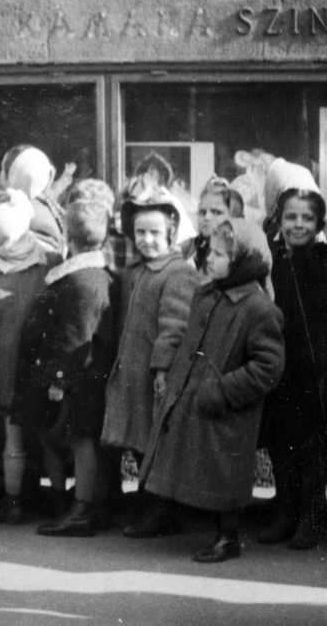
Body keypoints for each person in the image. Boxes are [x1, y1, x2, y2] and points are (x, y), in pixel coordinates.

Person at [133, 218, 284, 561]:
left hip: (227, 404)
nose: (210, 259)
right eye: (210, 252)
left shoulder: (259, 309)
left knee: (224, 470)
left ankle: (227, 536)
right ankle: (184, 519)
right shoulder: (207, 293)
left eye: (220, 254)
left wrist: (223, 390)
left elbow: (269, 367)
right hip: (195, 395)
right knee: (199, 464)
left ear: (243, 261)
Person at [11, 194, 117, 537]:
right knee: (83, 440)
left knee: (81, 440)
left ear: (68, 238)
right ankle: (86, 504)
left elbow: (73, 337)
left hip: (77, 379)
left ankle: (82, 508)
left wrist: (57, 381)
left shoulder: (80, 280)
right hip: (88, 374)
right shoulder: (96, 275)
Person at [101, 190, 198, 495]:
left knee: (152, 441)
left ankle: (158, 509)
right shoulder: (134, 271)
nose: (147, 239)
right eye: (140, 232)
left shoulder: (177, 273)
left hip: (153, 376)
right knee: (130, 437)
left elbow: (175, 326)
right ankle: (130, 502)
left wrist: (162, 370)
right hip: (129, 371)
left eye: (155, 233)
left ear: (171, 233)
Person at [0, 187, 55, 524]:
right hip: (43, 356)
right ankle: (53, 498)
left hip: (3, 357)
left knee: (11, 432)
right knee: (43, 430)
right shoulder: (50, 255)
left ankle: (13, 501)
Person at [258, 179, 327, 549]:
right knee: (280, 441)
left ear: (318, 225)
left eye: (307, 218)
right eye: (291, 217)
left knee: (312, 446)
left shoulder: (322, 263)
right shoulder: (272, 262)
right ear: (279, 219)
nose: (298, 224)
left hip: (315, 371)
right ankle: (284, 512)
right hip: (279, 368)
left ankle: (310, 518)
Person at [188, 177, 246, 274]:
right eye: (202, 212)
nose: (206, 218)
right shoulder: (196, 245)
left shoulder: (237, 256)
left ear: (233, 216)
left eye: (216, 212)